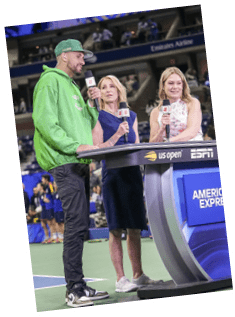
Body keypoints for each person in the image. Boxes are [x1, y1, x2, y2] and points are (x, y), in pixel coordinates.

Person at [32, 39, 109, 308]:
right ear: (64, 56)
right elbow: (44, 123)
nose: (83, 61)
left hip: (78, 162)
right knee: (75, 226)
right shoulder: (49, 81)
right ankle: (74, 290)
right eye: (79, 56)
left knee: (80, 227)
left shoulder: (73, 86)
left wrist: (92, 105)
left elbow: (87, 124)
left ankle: (79, 285)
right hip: (65, 162)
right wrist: (76, 146)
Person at [88, 75, 154, 293]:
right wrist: (117, 135)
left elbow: (135, 144)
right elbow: (97, 148)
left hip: (132, 174)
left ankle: (138, 275)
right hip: (113, 175)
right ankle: (120, 279)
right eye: (103, 87)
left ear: (119, 90)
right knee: (116, 229)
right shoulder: (97, 116)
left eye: (112, 86)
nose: (108, 90)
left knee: (135, 227)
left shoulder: (131, 115)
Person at [149, 67, 203, 143]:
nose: (175, 87)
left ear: (183, 86)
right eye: (171, 83)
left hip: (192, 150)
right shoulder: (155, 112)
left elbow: (192, 131)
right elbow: (152, 143)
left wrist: (169, 142)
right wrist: (162, 129)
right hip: (168, 153)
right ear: (163, 86)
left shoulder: (193, 103)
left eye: (179, 83)